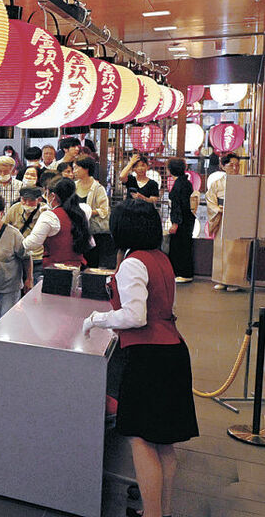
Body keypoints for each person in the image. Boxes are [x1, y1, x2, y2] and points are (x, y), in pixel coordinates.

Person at [82, 199, 198, 517]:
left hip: (148, 357)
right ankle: (162, 510)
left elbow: (135, 315)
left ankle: (152, 513)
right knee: (164, 442)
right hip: (173, 350)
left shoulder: (133, 262)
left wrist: (96, 319)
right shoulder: (161, 257)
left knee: (141, 440)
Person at [23, 177, 91, 268]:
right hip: (79, 266)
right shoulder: (83, 211)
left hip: (56, 269)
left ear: (53, 196)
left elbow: (32, 244)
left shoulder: (50, 216)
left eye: (46, 194)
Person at [206, 153, 249, 292]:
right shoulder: (217, 184)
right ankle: (221, 279)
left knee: (236, 251)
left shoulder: (245, 182)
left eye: (237, 165)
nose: (235, 168)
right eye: (231, 165)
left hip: (238, 219)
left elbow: (249, 201)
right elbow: (210, 200)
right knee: (221, 249)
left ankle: (234, 281)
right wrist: (217, 209)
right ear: (223, 166)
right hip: (222, 217)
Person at [75, 156, 113, 269]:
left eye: (77, 168)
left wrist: (88, 212)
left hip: (93, 232)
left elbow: (104, 210)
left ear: (86, 169)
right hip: (77, 231)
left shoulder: (98, 188)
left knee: (92, 263)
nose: (74, 171)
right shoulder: (74, 185)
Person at [5, 186, 47, 283]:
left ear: (39, 200)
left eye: (31, 200)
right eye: (24, 200)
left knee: (36, 285)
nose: (27, 203)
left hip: (38, 257)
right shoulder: (15, 209)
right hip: (19, 257)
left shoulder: (45, 211)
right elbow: (5, 229)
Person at [167, 158, 195, 284]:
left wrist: (175, 223)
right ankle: (183, 272)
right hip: (187, 219)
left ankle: (183, 273)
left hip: (182, 221)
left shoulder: (179, 184)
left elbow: (178, 206)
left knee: (180, 247)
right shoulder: (186, 183)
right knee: (184, 246)